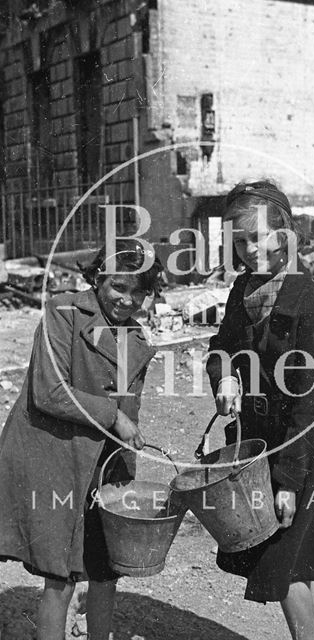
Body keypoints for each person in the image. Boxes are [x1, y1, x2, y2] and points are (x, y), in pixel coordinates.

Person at [0, 239, 162, 640]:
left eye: (138, 291)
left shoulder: (136, 340)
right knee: (63, 576)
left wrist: (123, 477)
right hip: (54, 460)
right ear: (98, 279)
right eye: (118, 287)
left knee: (107, 572)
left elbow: (131, 411)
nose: (127, 300)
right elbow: (49, 390)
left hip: (100, 468)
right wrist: (113, 417)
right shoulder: (63, 313)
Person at [206, 181, 314, 640]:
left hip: (302, 447)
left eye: (260, 236)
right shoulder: (243, 291)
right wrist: (224, 376)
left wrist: (287, 481)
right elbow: (222, 346)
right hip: (263, 439)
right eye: (240, 241)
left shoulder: (310, 308)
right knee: (298, 559)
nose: (251, 249)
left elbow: (312, 405)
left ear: (285, 233)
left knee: (286, 560)